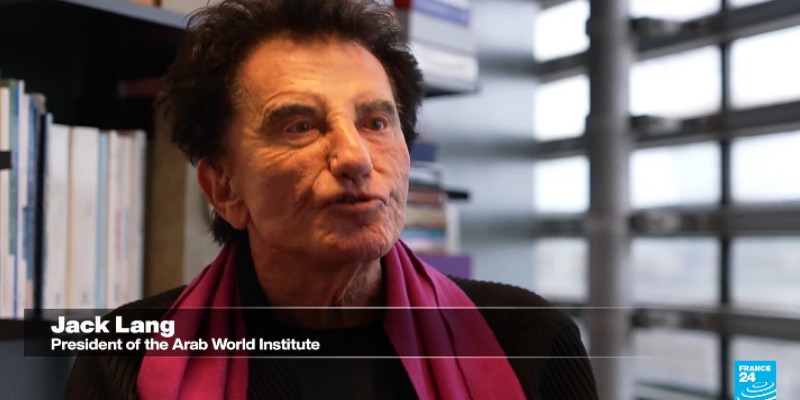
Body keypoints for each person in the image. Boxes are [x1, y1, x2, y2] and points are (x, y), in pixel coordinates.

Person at [65, 0, 598, 399]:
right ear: (223, 186)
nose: (355, 157)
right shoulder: (126, 359)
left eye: (376, 122)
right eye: (300, 125)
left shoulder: (528, 339)